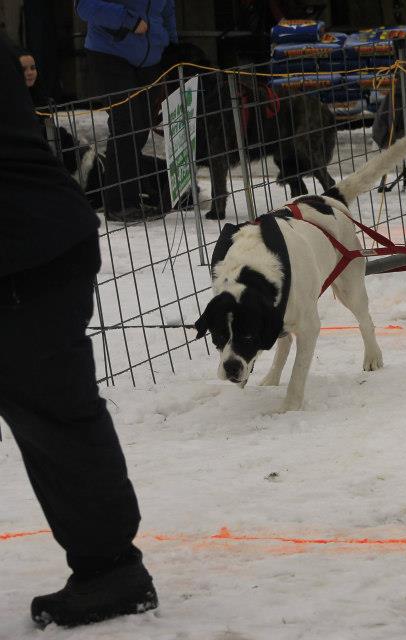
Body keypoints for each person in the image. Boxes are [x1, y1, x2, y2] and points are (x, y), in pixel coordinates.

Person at [0, 39, 156, 628]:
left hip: (25, 251)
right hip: (41, 236)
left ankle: (112, 570)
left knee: (57, 415)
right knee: (56, 413)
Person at [75, 0, 178, 222]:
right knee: (127, 124)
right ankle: (120, 204)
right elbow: (84, 6)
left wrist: (171, 44)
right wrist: (128, 21)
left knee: (140, 127)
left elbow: (167, 8)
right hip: (109, 53)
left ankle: (129, 198)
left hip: (151, 58)